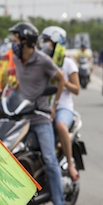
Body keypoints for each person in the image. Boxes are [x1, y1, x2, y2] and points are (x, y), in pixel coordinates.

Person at [8, 22, 67, 205]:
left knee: (49, 159)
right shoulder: (16, 59)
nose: (13, 43)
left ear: (26, 41)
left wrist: (55, 106)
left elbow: (60, 80)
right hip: (22, 117)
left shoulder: (43, 60)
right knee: (12, 157)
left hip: (41, 118)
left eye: (15, 40)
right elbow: (16, 83)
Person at [41, 26, 80, 181]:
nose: (44, 44)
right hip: (44, 107)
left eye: (47, 41)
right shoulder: (42, 61)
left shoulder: (68, 63)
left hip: (64, 107)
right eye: (43, 41)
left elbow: (77, 89)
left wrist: (63, 82)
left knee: (60, 125)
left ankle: (70, 164)